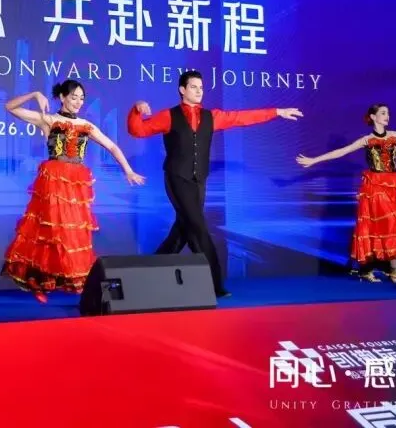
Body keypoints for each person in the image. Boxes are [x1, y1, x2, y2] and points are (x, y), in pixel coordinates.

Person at [127, 70, 303, 298]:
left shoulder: (211, 117)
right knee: (199, 228)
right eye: (194, 87)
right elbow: (138, 130)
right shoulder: (169, 116)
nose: (199, 91)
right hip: (177, 178)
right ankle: (214, 283)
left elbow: (242, 117)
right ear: (182, 90)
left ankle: (147, 273)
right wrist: (136, 110)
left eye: (201, 87)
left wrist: (277, 112)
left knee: (182, 231)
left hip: (199, 180)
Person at [1, 80, 145, 303]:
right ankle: (39, 280)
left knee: (72, 234)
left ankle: (71, 280)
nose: (78, 102)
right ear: (62, 97)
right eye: (73, 97)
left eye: (81, 98)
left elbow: (112, 146)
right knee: (49, 232)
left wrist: (128, 170)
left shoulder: (86, 125)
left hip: (75, 186)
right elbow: (9, 107)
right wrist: (35, 94)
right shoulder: (48, 120)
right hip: (52, 183)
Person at [295, 103, 396, 283]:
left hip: (392, 186)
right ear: (373, 117)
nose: (387, 116)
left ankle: (368, 269)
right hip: (375, 186)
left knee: (381, 226)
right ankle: (394, 269)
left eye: (388, 113)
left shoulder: (394, 135)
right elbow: (341, 152)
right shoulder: (367, 140)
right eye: (383, 113)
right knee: (390, 223)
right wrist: (314, 160)